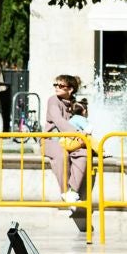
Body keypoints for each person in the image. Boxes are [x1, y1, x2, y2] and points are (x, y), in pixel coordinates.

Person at [41, 74, 92, 225]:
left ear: (70, 89)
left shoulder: (74, 104)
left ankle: (73, 192)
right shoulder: (53, 100)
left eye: (60, 86)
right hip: (51, 140)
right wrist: (78, 134)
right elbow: (58, 120)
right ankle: (65, 192)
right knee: (61, 155)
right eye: (55, 85)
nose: (56, 88)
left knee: (84, 154)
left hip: (70, 140)